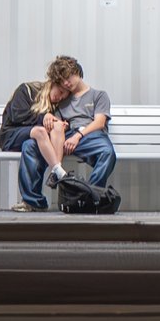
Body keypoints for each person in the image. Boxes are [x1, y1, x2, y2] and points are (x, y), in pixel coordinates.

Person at [15, 55, 117, 212]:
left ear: (77, 71)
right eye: (62, 81)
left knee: (107, 152)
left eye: (68, 77)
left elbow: (99, 123)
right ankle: (33, 202)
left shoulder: (99, 95)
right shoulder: (62, 99)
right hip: (64, 138)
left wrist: (78, 136)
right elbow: (56, 125)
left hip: (89, 137)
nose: (66, 83)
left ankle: (90, 197)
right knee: (29, 145)